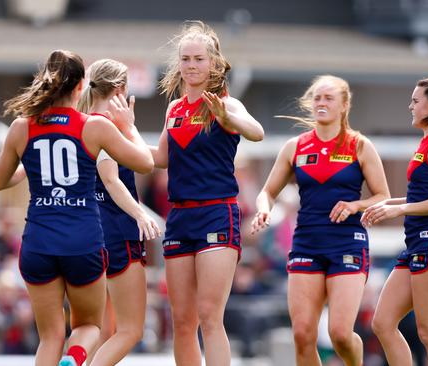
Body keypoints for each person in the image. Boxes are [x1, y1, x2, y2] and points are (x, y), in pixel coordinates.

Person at [0, 49, 153, 366]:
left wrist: (32, 166)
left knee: (50, 336)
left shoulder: (22, 128)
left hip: (37, 243)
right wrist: (129, 126)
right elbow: (146, 163)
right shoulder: (93, 126)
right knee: (88, 326)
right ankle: (76, 358)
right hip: (83, 242)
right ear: (81, 86)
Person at [251, 75, 390, 366]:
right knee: (302, 334)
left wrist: (356, 205)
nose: (321, 103)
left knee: (339, 333)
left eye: (328, 98)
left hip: (346, 244)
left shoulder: (359, 146)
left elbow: (382, 196)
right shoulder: (296, 147)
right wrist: (264, 209)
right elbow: (268, 191)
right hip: (307, 244)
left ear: (344, 105)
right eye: (317, 98)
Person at [149, 21, 264, 365]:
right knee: (183, 321)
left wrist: (229, 120)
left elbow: (256, 132)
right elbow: (159, 159)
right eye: (185, 59)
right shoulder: (174, 109)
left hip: (217, 212)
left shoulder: (227, 104)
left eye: (199, 58)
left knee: (210, 316)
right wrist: (118, 137)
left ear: (213, 63)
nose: (191, 65)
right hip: (180, 216)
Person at [362, 76, 428, 366]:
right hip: (418, 244)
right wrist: (388, 204)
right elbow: (421, 195)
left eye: (415, 101)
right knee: (382, 323)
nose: (410, 106)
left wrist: (400, 210)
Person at [77, 58, 162, 366]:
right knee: (130, 330)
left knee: (103, 331)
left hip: (88, 233)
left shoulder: (82, 122)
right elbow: (114, 178)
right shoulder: (106, 127)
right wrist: (139, 214)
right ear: (119, 89)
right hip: (115, 231)